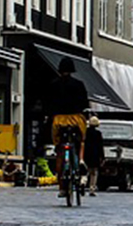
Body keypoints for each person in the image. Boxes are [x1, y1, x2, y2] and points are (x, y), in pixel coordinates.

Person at [46, 58, 90, 199]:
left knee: (59, 148)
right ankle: (81, 160)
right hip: (76, 119)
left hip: (59, 120)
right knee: (82, 140)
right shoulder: (78, 84)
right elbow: (84, 102)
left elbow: (48, 103)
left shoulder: (53, 85)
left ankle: (61, 186)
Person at [84, 112, 105, 197]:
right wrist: (102, 157)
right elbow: (100, 146)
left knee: (86, 171)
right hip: (95, 155)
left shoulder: (85, 132)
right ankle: (92, 189)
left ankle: (83, 182)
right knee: (94, 173)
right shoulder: (98, 134)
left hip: (86, 154)